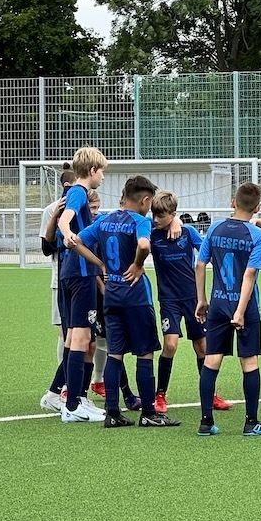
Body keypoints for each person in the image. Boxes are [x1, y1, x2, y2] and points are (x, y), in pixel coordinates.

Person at [70, 176, 180, 428]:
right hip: (136, 296)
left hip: (112, 295)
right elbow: (144, 244)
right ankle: (149, 413)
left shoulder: (104, 220)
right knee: (145, 353)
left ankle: (112, 413)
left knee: (115, 353)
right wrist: (138, 264)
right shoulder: (140, 221)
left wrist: (100, 265)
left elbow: (75, 241)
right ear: (144, 200)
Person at [194, 182, 261, 437]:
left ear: (232, 202)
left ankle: (206, 422)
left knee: (211, 359)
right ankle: (251, 423)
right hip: (245, 306)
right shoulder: (258, 236)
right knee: (249, 361)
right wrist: (240, 312)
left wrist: (201, 300)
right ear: (257, 208)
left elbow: (200, 264)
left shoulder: (215, 228)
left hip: (217, 302)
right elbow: (249, 274)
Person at [150, 190, 230, 415]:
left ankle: (210, 394)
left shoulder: (188, 232)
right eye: (154, 214)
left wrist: (178, 222)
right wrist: (171, 220)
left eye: (161, 215)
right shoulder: (152, 234)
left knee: (202, 346)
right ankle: (160, 394)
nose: (156, 219)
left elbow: (207, 253)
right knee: (170, 345)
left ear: (173, 214)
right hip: (169, 299)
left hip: (193, 299)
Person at [50, 148, 108, 423]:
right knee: (82, 339)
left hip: (71, 272)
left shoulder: (77, 193)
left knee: (74, 338)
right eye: (102, 172)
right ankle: (73, 405)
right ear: (92, 171)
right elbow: (65, 219)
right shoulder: (80, 192)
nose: (103, 177)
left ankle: (74, 400)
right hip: (81, 274)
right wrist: (68, 234)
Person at [38, 165, 75, 414]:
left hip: (80, 279)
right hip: (60, 280)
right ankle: (60, 388)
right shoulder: (52, 209)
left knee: (83, 335)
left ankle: (80, 384)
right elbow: (45, 248)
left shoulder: (85, 207)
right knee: (66, 334)